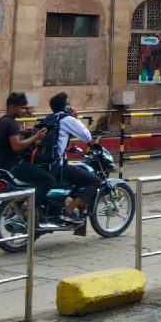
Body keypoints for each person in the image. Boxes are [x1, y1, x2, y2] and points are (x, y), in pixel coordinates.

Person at [0, 92, 55, 211]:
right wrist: (35, 137)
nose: (24, 111)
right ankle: (31, 210)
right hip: (14, 166)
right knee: (48, 180)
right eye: (22, 108)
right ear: (12, 107)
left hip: (1, 166)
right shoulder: (12, 124)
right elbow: (16, 146)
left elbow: (8, 141)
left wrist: (23, 133)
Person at [47, 92, 101, 224]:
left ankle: (72, 203)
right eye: (69, 104)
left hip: (47, 164)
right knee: (95, 181)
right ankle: (69, 210)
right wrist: (76, 118)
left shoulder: (50, 118)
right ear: (66, 107)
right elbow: (87, 137)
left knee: (78, 175)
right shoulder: (67, 119)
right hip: (59, 166)